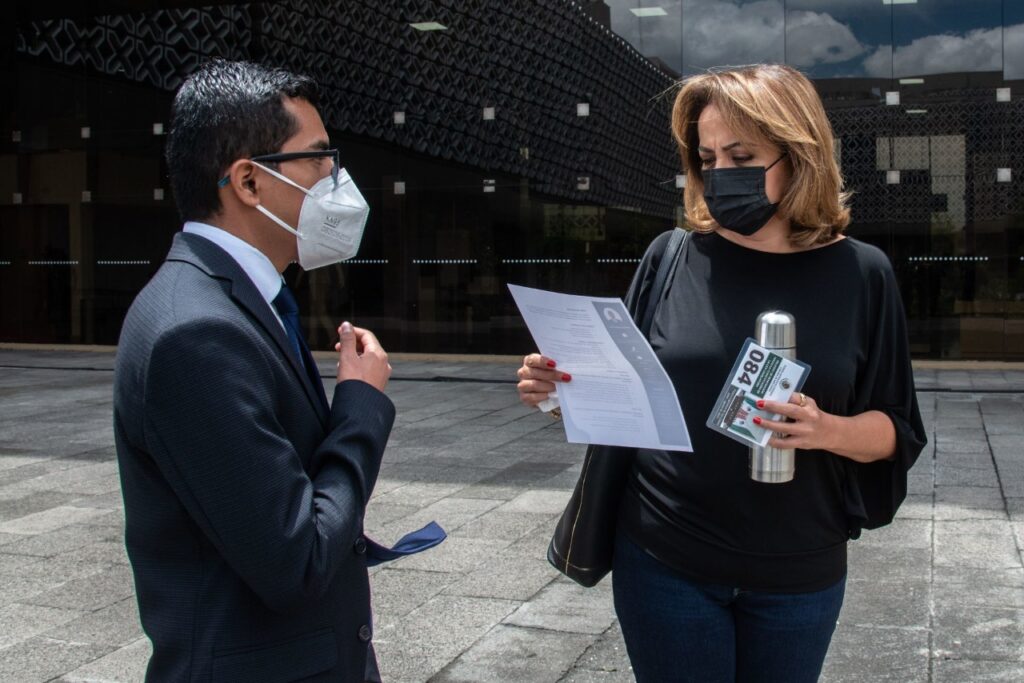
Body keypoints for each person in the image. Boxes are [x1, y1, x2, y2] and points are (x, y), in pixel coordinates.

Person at [516, 64, 926, 683]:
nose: (720, 173)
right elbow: (628, 394)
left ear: (800, 155)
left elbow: (898, 431)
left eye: (742, 154)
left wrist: (823, 429)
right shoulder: (672, 256)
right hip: (664, 559)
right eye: (708, 157)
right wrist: (558, 394)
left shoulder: (862, 273)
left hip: (798, 571)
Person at [113, 59, 441, 682]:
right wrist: (360, 407)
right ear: (248, 182)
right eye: (318, 158)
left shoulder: (238, 300)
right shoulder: (195, 331)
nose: (336, 178)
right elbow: (296, 559)